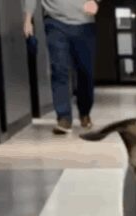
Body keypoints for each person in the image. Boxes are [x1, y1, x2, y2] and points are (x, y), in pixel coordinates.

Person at [24, 0, 101, 135]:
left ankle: (84, 112)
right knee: (59, 70)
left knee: (85, 72)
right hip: (55, 21)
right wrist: (27, 19)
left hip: (84, 22)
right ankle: (63, 117)